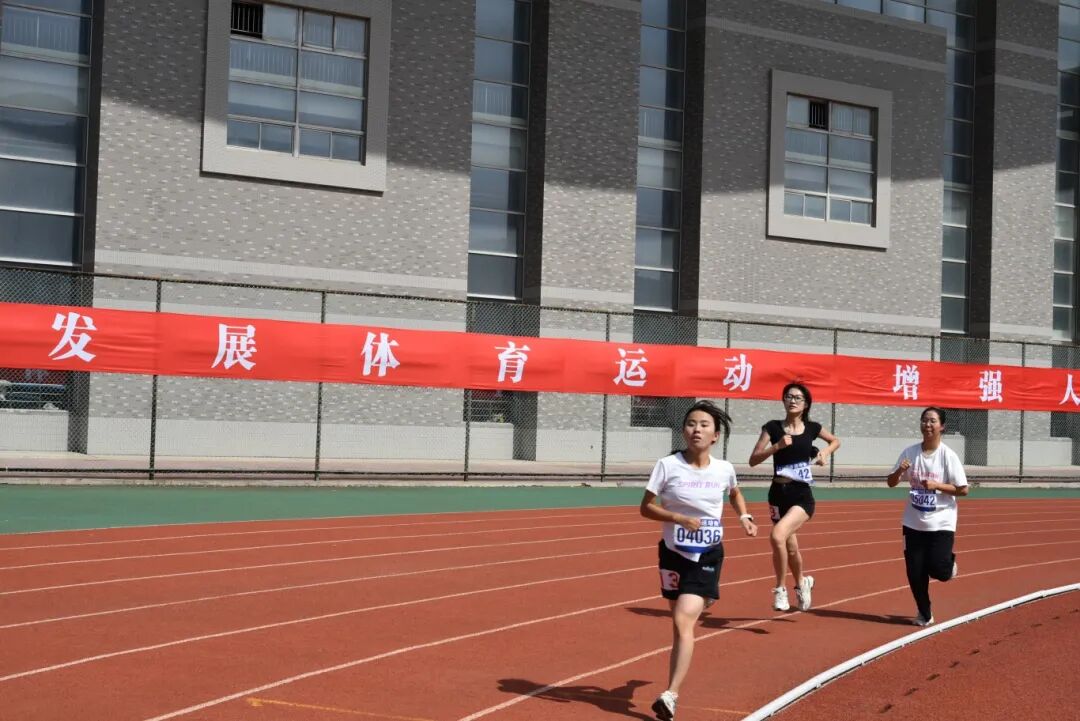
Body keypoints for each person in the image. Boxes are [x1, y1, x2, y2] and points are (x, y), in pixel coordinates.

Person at [640, 400, 758, 721]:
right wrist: (677, 517)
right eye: (691, 423)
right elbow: (645, 508)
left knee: (683, 620)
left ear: (715, 435)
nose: (697, 429)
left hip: (707, 553)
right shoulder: (668, 466)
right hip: (672, 553)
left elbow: (734, 492)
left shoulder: (724, 469)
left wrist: (744, 516)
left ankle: (671, 694)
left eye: (704, 425)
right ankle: (702, 597)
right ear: (683, 431)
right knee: (679, 625)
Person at [748, 382, 840, 612]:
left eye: (798, 398)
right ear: (783, 400)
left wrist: (824, 453)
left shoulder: (812, 428)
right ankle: (802, 582)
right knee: (790, 548)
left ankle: (780, 590)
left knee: (777, 535)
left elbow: (835, 441)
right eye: (789, 396)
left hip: (801, 496)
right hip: (777, 494)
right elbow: (753, 459)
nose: (793, 401)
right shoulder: (772, 427)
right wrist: (776, 447)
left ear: (805, 404)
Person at [886, 407, 968, 626]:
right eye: (924, 420)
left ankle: (949, 566)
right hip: (913, 521)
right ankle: (924, 613)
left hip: (941, 521)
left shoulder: (947, 456)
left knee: (939, 570)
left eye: (932, 421)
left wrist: (937, 486)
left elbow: (963, 489)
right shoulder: (910, 453)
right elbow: (891, 482)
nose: (927, 425)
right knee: (915, 571)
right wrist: (899, 471)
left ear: (942, 426)